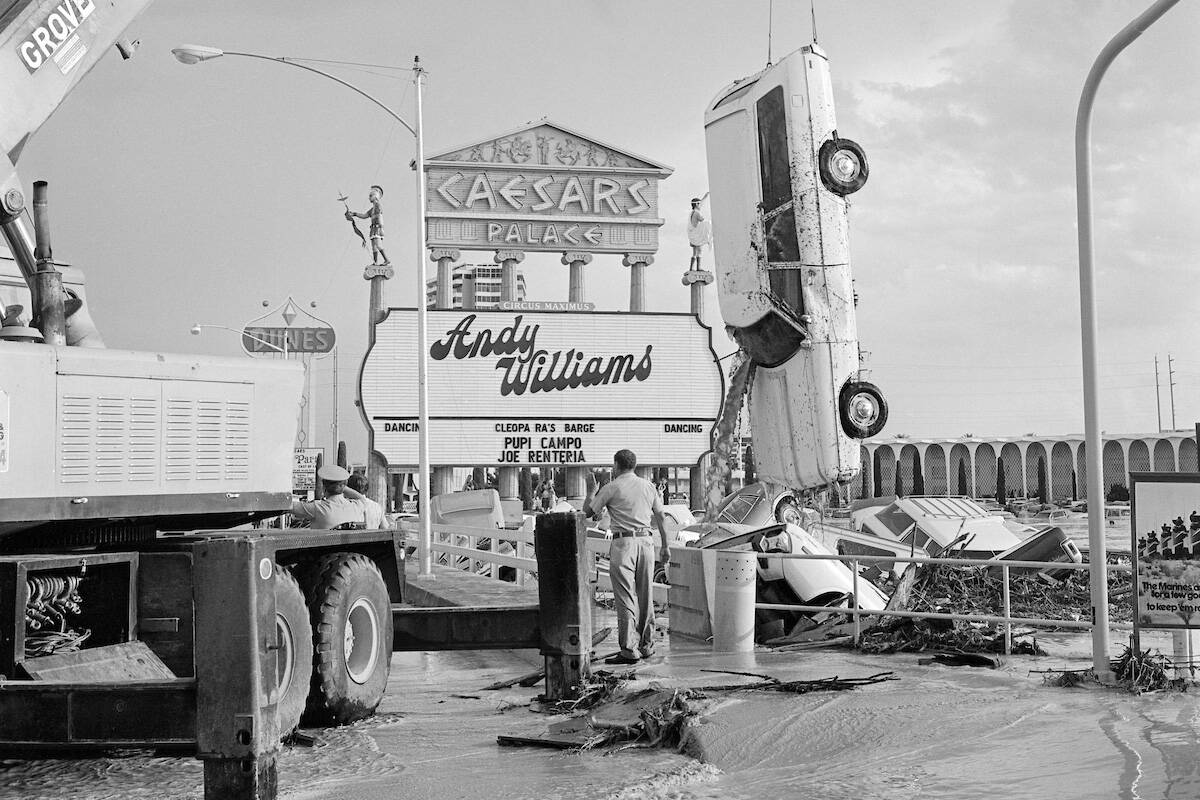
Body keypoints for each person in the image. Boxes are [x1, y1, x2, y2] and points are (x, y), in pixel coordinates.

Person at [585, 449, 669, 664]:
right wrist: (665, 546)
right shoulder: (648, 486)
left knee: (625, 596)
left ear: (616, 465)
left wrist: (591, 491)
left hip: (624, 544)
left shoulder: (611, 487)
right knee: (646, 594)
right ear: (634, 465)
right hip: (647, 542)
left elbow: (588, 513)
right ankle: (647, 645)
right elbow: (660, 516)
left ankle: (629, 649)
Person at [291, 465, 380, 530]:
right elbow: (362, 498)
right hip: (352, 554)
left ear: (324, 487)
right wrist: (342, 486)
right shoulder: (357, 506)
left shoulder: (317, 508)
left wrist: (341, 485)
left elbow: (287, 506)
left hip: (324, 554)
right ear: (344, 486)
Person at [346, 185, 391, 266]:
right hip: (373, 228)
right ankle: (375, 262)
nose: (369, 198)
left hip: (378, 228)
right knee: (374, 246)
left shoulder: (377, 206)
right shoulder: (372, 209)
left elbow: (377, 213)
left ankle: (386, 259)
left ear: (375, 196)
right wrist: (355, 214)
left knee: (378, 244)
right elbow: (364, 216)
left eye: (371, 196)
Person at [687, 192, 711, 270]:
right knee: (699, 251)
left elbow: (701, 203)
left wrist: (705, 196)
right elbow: (702, 220)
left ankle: (691, 268)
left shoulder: (692, 212)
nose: (700, 205)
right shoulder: (697, 213)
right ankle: (698, 267)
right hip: (697, 235)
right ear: (697, 204)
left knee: (694, 252)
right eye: (699, 204)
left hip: (692, 235)